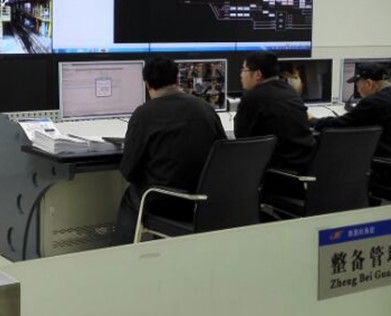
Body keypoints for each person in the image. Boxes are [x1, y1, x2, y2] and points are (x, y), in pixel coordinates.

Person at [112, 57, 226, 245]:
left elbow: (128, 170)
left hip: (165, 203)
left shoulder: (144, 115)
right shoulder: (205, 109)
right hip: (204, 201)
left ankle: (121, 253)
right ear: (177, 79)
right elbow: (223, 154)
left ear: (147, 85)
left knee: (132, 195)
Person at [310, 63, 391, 160]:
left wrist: (312, 120)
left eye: (357, 85)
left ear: (369, 84)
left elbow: (340, 124)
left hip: (387, 166)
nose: (358, 90)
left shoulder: (374, 102)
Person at [234, 51, 315, 172]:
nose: (241, 75)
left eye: (244, 70)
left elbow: (241, 138)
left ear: (257, 74)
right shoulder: (290, 90)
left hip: (276, 171)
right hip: (305, 166)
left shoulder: (252, 98)